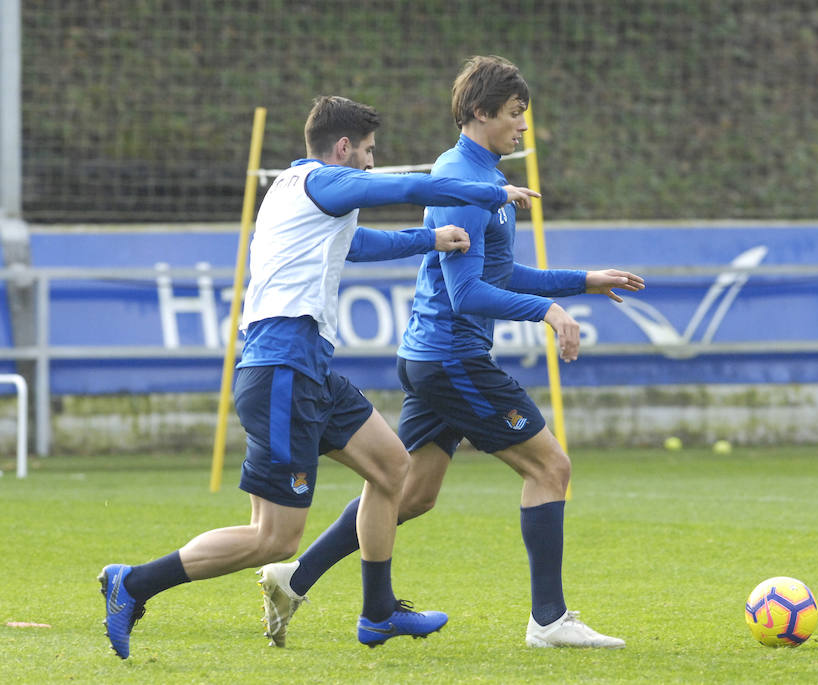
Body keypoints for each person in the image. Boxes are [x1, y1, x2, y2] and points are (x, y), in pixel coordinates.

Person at [98, 94, 541, 658]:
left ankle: (378, 613)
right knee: (273, 539)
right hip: (281, 372)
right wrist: (490, 192)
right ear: (343, 147)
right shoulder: (323, 181)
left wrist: (427, 239)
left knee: (392, 467)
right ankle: (134, 583)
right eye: (368, 151)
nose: (372, 163)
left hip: (306, 369)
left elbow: (356, 244)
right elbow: (408, 189)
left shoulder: (293, 190)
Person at [256, 57, 645, 649]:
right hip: (452, 357)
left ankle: (296, 578)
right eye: (514, 113)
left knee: (410, 494)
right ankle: (549, 621)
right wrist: (548, 312)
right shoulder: (462, 178)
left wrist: (582, 282)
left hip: (434, 356)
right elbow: (467, 294)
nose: (523, 126)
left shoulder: (481, 175)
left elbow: (500, 272)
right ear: (480, 113)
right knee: (550, 468)